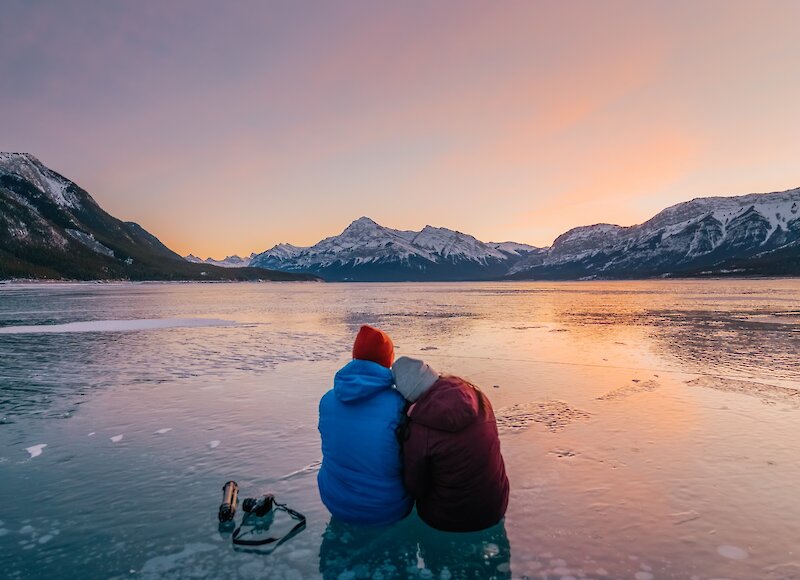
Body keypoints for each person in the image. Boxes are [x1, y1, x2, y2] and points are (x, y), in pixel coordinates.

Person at [392, 356, 509, 532]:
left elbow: (416, 488)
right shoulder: (477, 396)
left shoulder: (420, 430)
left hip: (447, 519)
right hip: (495, 506)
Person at [317, 325, 412, 526]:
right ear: (389, 361)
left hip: (334, 501)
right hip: (387, 508)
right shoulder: (400, 405)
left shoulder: (327, 400)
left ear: (355, 356)